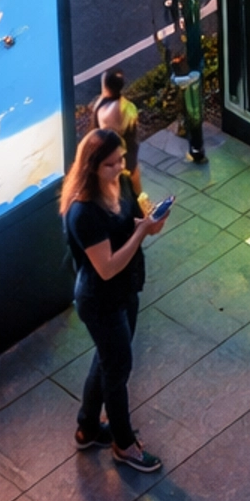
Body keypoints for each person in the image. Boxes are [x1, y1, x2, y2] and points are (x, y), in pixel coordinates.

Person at [61, 126, 167, 472]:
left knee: (109, 360)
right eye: (111, 163)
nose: (120, 167)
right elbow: (106, 268)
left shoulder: (119, 184)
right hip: (101, 299)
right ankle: (123, 444)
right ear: (92, 166)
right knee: (118, 369)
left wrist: (149, 223)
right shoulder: (83, 212)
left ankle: (87, 428)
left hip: (127, 287)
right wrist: (141, 233)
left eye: (121, 159)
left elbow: (131, 225)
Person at [94, 69, 142, 197]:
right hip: (126, 148)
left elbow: (111, 135)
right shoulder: (125, 105)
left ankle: (138, 202)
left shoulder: (109, 110)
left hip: (121, 151)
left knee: (127, 181)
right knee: (132, 177)